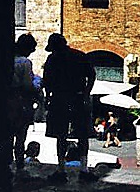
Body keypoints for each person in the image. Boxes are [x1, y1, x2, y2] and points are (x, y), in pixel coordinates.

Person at [42, 32, 96, 184]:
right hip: (78, 97)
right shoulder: (79, 55)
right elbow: (92, 75)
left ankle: (61, 170)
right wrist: (86, 93)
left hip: (60, 99)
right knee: (82, 134)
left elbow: (47, 80)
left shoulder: (52, 58)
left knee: (61, 134)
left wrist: (48, 97)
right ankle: (84, 169)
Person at [9, 33, 38, 179]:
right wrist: (37, 85)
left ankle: (6, 165)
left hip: (7, 101)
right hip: (21, 103)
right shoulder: (25, 63)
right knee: (20, 138)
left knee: (7, 136)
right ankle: (20, 167)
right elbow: (27, 85)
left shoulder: (9, 59)